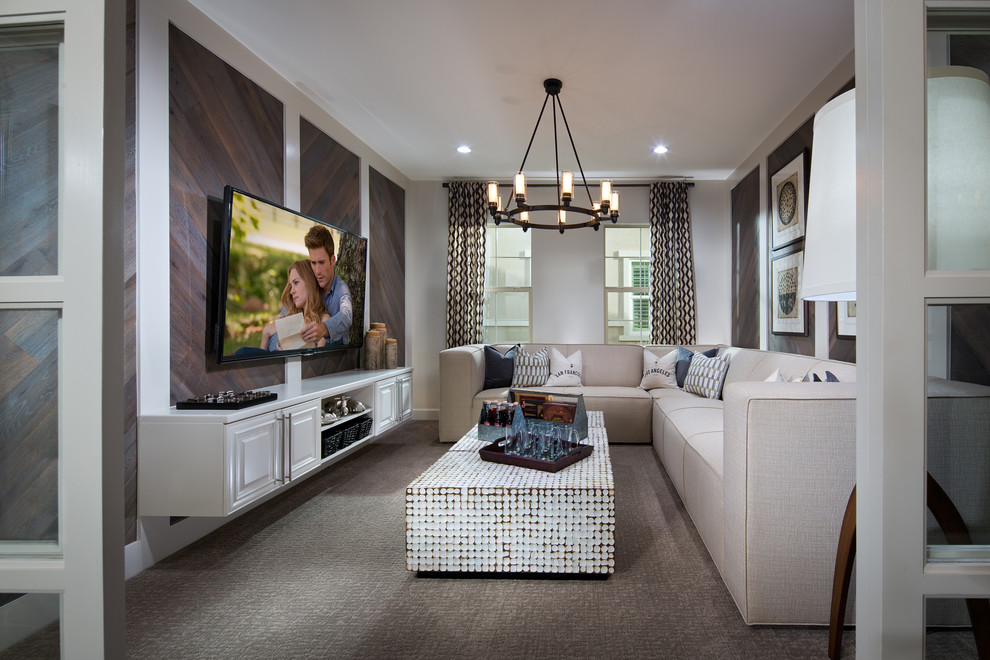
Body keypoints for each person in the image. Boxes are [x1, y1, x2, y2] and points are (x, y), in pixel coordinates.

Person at [298, 224, 352, 346]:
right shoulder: (310, 281)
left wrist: (323, 329)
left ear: (333, 260)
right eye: (313, 263)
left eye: (321, 262)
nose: (317, 271)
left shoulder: (342, 289)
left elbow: (347, 316)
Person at [261, 260, 330, 351]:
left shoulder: (324, 320)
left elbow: (317, 359)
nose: (291, 291)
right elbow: (262, 356)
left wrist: (287, 354)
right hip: (269, 359)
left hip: (290, 360)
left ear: (310, 282)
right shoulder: (289, 315)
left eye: (296, 282)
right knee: (244, 351)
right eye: (291, 286)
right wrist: (265, 333)